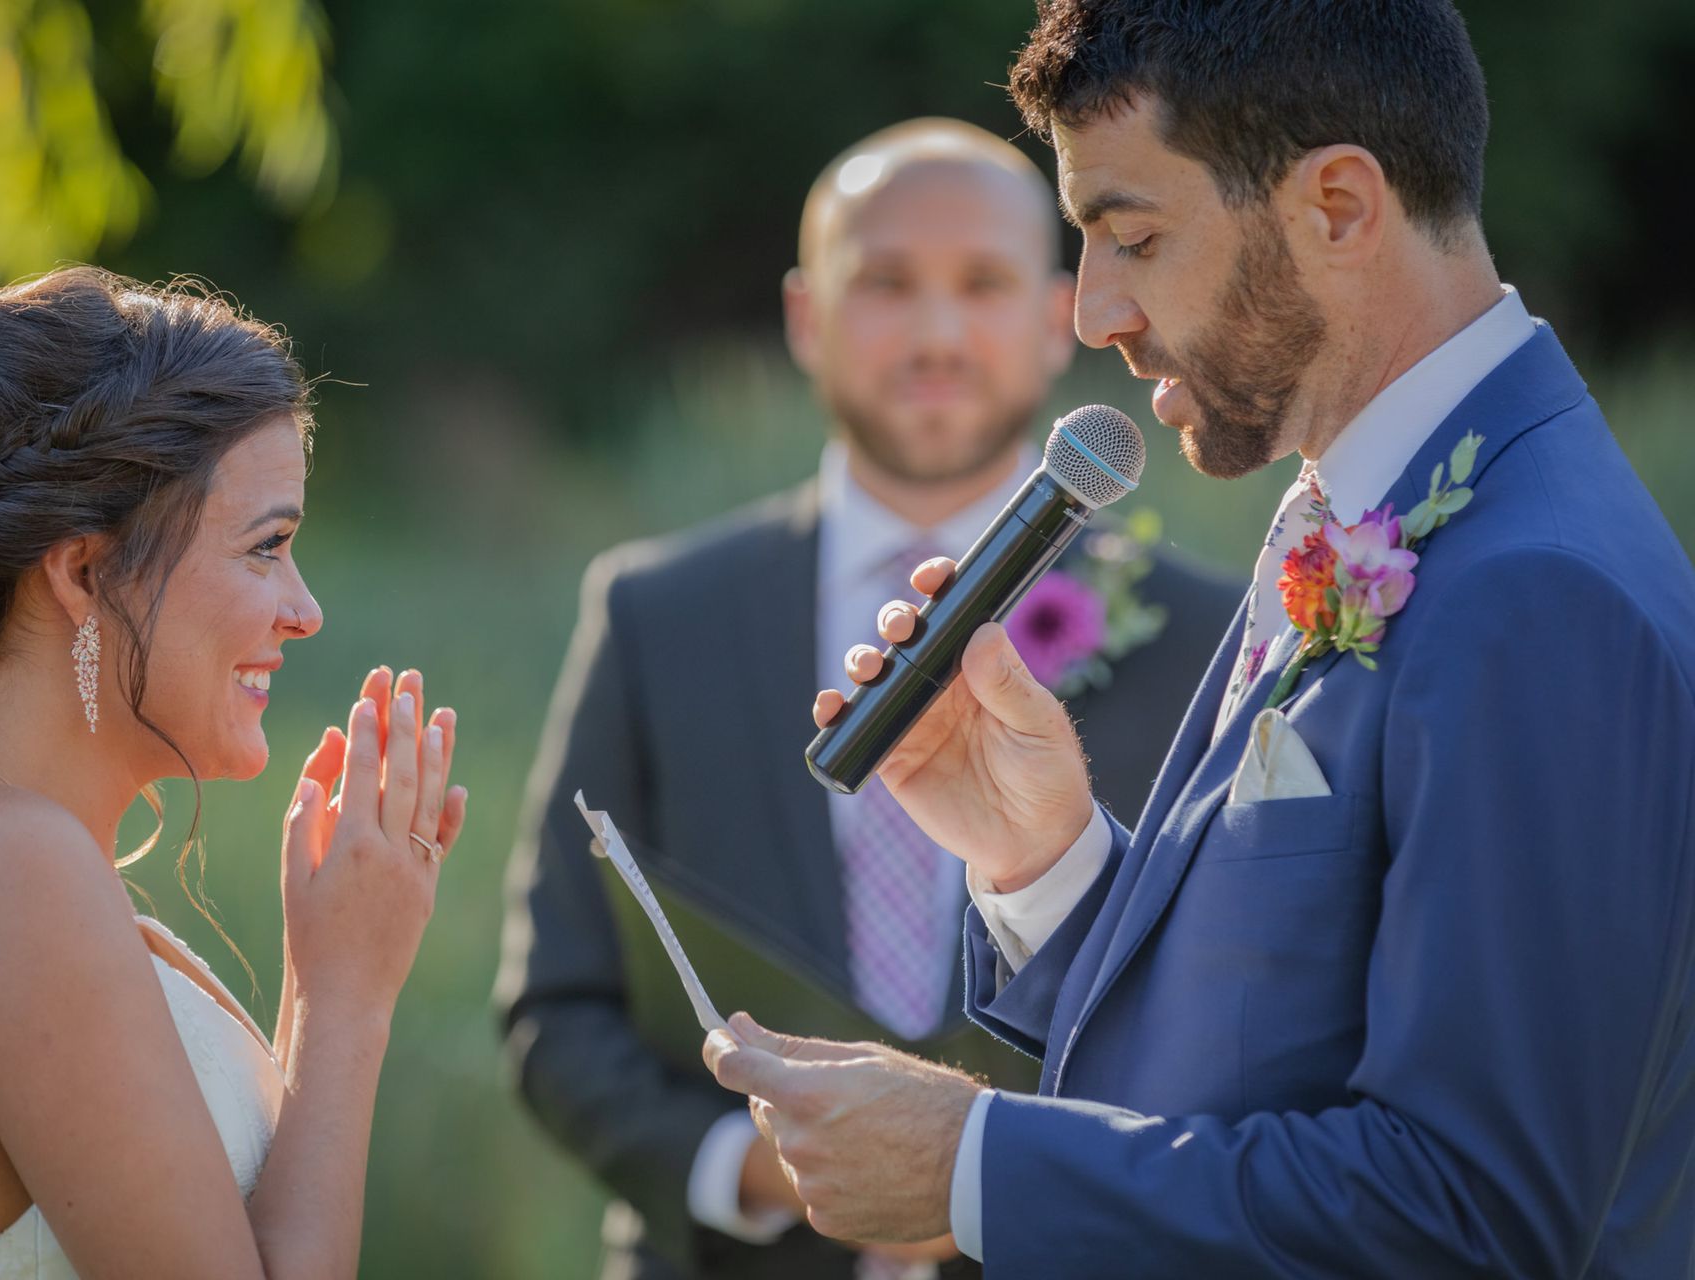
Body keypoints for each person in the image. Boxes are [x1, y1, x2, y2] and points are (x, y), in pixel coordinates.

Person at [703, 3, 1695, 1276]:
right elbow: (1271, 1042)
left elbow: (1469, 1215)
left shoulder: (1539, 594)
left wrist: (975, 1163)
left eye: (1133, 237)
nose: (1091, 312)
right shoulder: (1365, 496)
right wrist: (1047, 860)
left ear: (1339, 205)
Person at [498, 119, 1236, 1280]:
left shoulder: (1215, 635)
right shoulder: (655, 614)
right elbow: (558, 1006)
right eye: (886, 283)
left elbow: (1241, 1024)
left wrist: (981, 1173)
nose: (937, 333)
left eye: (983, 284)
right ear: (808, 316)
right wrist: (759, 1169)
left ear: (1057, 318)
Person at [0, 267, 468, 1278]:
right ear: (86, 571)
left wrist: (322, 974)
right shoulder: (5, 874)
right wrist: (347, 1001)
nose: (305, 609)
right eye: (267, 545)